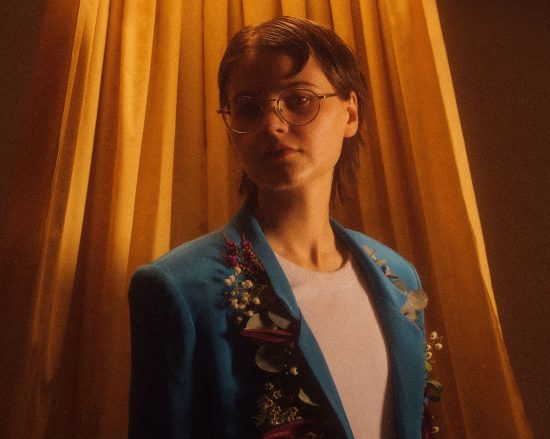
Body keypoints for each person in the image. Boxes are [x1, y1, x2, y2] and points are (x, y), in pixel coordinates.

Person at [129, 16, 427, 439]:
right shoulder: (179, 289)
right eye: (249, 108)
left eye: (299, 99)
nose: (272, 124)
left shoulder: (398, 278)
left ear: (350, 113)